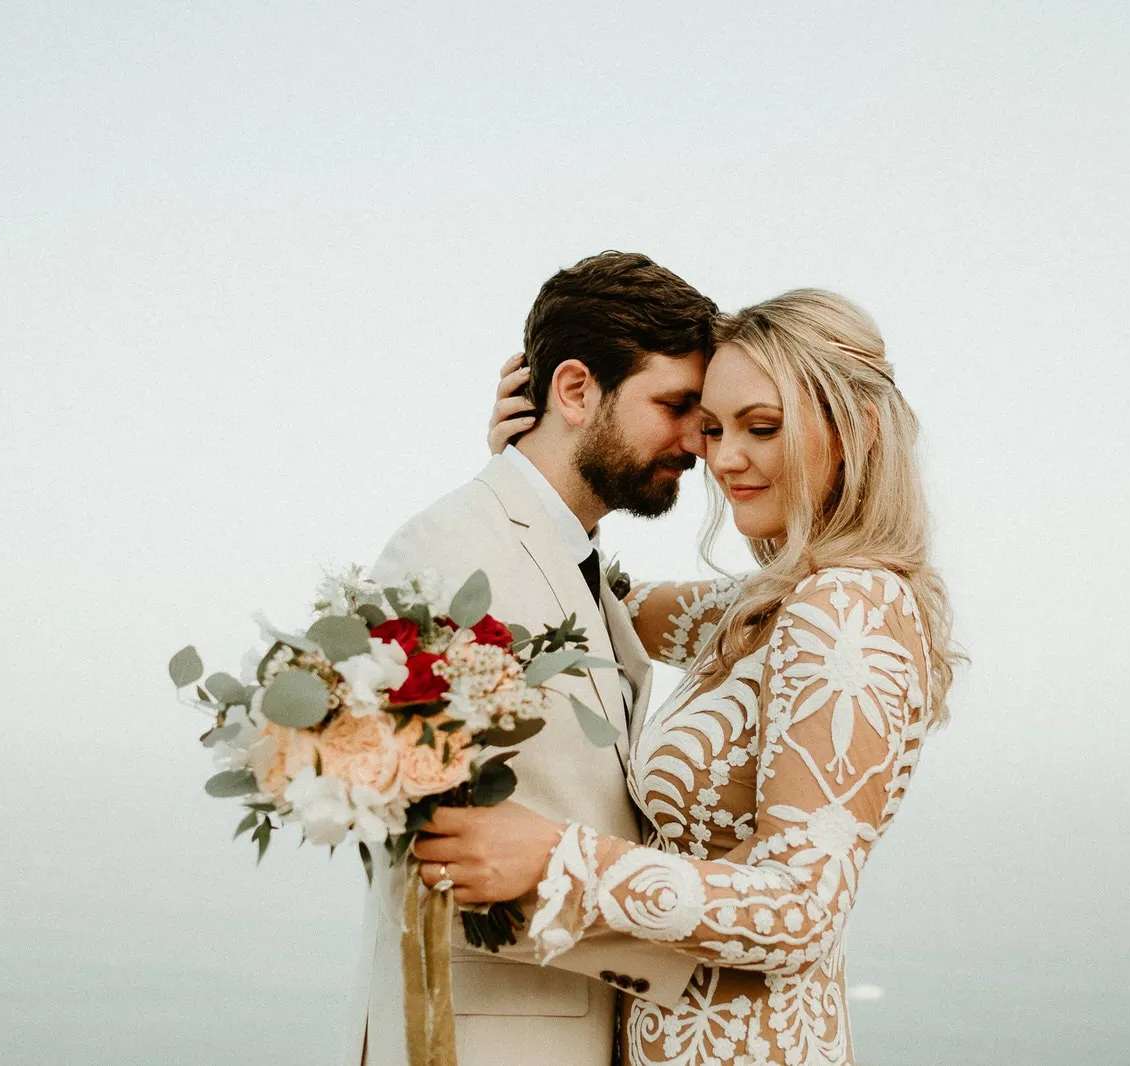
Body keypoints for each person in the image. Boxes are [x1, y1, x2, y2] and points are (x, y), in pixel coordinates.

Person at [411, 289, 959, 1065]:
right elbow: (600, 604)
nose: (724, 458)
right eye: (713, 428)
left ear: (858, 427)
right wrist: (534, 479)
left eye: (760, 428)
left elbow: (802, 908)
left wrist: (553, 856)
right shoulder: (774, 603)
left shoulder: (849, 608)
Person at [343, 251, 718, 1066]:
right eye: (676, 405)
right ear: (577, 390)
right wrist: (686, 945)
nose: (697, 442)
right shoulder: (446, 555)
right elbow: (420, 851)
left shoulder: (574, 560)